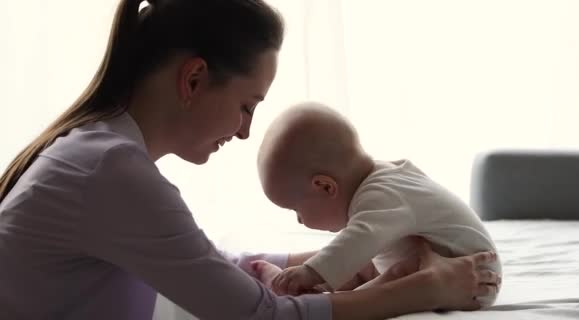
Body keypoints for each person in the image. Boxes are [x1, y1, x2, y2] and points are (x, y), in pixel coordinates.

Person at [0, 0, 498, 319]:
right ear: (193, 80)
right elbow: (258, 316)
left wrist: (348, 260)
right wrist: (429, 287)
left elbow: (209, 266)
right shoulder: (109, 171)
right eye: (247, 106)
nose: (244, 132)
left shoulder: (98, 152)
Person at [255, 102, 502, 306]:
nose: (299, 220)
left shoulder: (381, 196)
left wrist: (310, 272)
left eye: (296, 210)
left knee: (362, 263)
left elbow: (357, 239)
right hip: (439, 261)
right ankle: (299, 291)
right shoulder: (384, 178)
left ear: (326, 187)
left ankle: (317, 299)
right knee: (364, 263)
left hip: (470, 277)